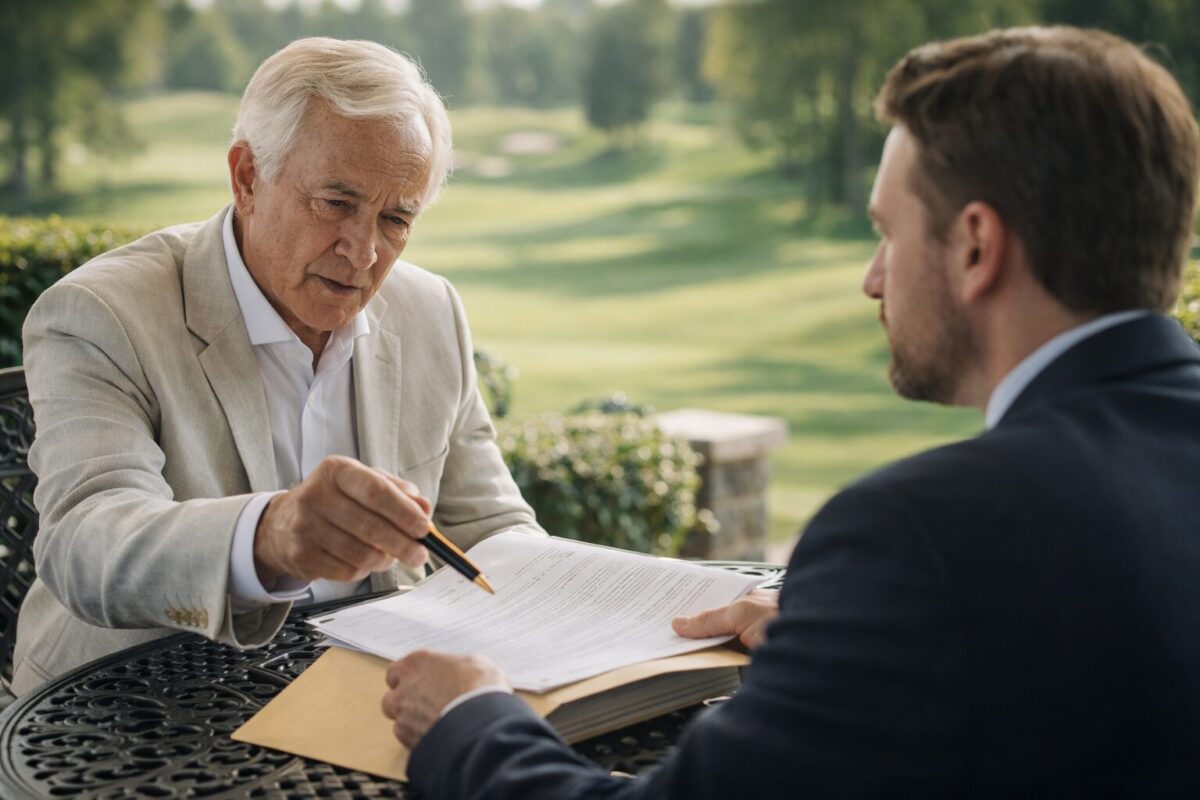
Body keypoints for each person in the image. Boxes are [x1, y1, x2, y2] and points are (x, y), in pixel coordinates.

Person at [381, 26, 1200, 798]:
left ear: (977, 247)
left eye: (887, 233)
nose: (874, 280)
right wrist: (865, 643)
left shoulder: (920, 535)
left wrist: (468, 718)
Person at [11, 37, 544, 695]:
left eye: (396, 217)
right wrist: (269, 536)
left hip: (359, 697)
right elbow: (84, 545)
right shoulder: (102, 312)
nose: (363, 252)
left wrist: (608, 600)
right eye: (336, 203)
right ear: (247, 178)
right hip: (129, 709)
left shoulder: (430, 310)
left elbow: (492, 529)